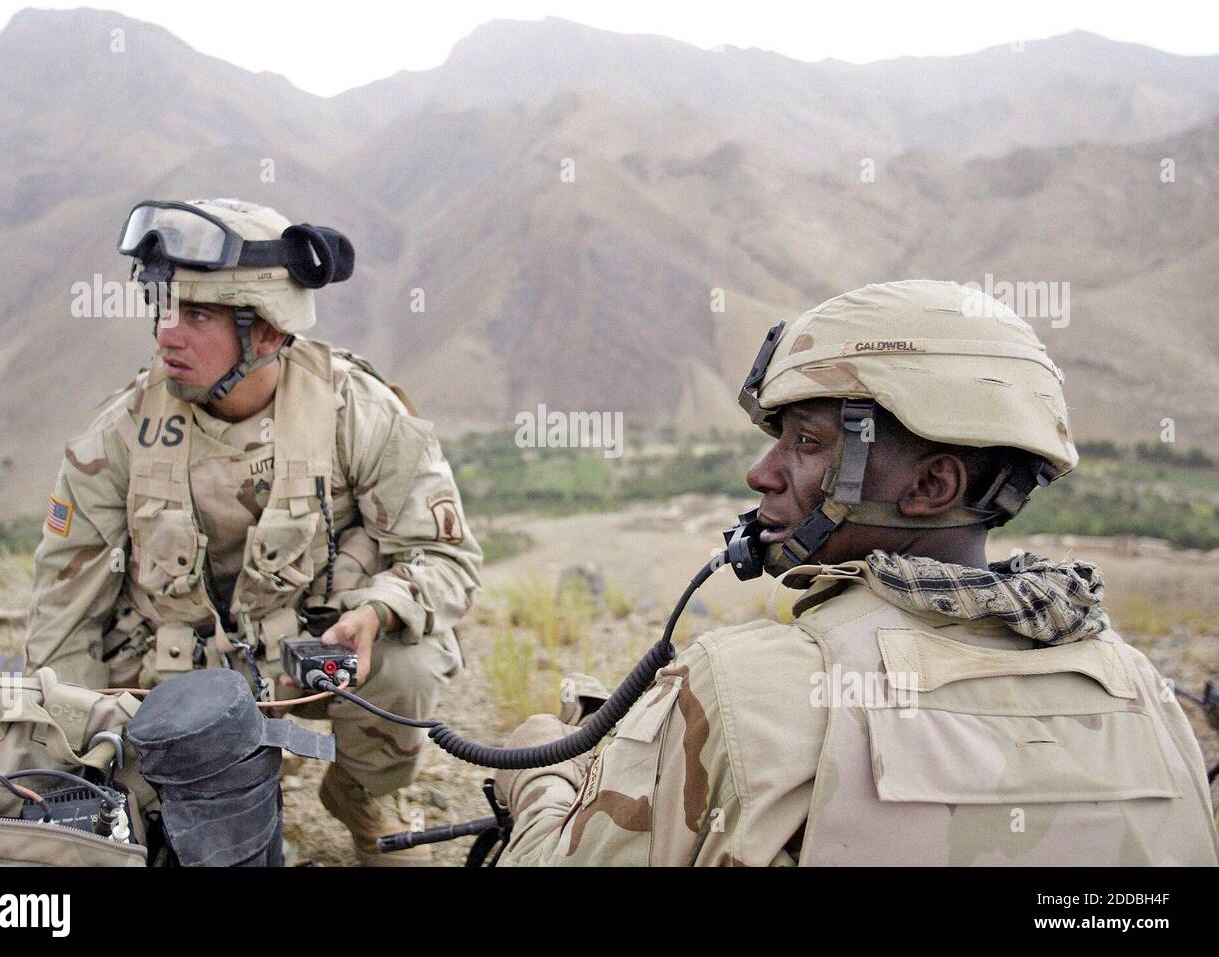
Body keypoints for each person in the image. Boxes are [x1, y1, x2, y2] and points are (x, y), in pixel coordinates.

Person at [493, 280, 1219, 866]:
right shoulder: (1144, 692)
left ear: (931, 486)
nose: (762, 472)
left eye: (807, 442)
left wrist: (541, 779)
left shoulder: (742, 687)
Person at [25, 198, 482, 865]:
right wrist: (73, 769)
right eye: (165, 306)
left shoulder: (356, 411)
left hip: (314, 655)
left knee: (409, 663)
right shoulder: (119, 436)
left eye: (198, 314)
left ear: (267, 332)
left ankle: (363, 792)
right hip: (167, 672)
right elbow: (62, 618)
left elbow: (448, 555)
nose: (166, 334)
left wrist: (379, 612)